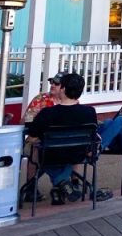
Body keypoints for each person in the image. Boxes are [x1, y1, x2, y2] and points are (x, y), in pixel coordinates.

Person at [25, 72, 98, 204]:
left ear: (63, 89)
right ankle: (62, 187)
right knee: (64, 151)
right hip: (78, 155)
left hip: (50, 155)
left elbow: (32, 135)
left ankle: (60, 183)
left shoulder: (47, 113)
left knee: (36, 149)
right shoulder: (89, 112)